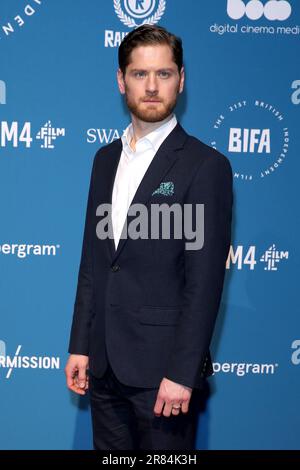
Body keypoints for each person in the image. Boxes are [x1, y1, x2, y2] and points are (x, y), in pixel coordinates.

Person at [65, 24, 233, 450]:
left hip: (164, 376)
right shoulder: (104, 160)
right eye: (140, 74)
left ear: (182, 79)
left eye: (164, 73)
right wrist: (80, 345)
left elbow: (204, 281)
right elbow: (95, 261)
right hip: (104, 368)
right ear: (122, 81)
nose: (152, 86)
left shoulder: (204, 166)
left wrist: (182, 372)